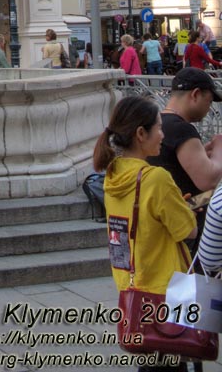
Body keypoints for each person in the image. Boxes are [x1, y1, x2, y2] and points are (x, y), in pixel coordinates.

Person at [93, 96, 196, 364]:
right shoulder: (156, 179)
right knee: (173, 360)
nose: (163, 135)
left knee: (151, 362)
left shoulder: (113, 174)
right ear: (141, 133)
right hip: (167, 288)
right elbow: (188, 230)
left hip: (132, 286)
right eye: (159, 128)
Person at [149, 67, 222, 249]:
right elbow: (208, 180)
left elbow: (171, 165)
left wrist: (203, 156)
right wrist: (220, 146)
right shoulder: (182, 129)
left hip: (165, 223)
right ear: (195, 94)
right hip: (189, 227)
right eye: (209, 100)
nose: (209, 108)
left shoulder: (157, 123)